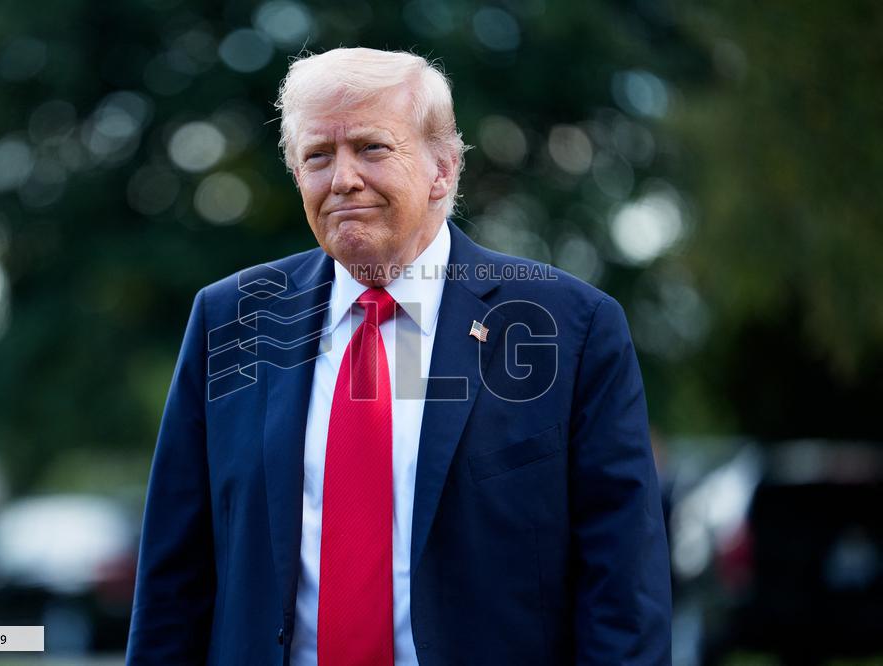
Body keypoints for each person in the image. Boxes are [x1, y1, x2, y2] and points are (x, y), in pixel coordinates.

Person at [126, 48, 671, 665]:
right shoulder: (233, 320)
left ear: (443, 168)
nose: (343, 179)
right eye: (317, 156)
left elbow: (622, 584)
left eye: (373, 148)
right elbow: (174, 579)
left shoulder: (571, 328)